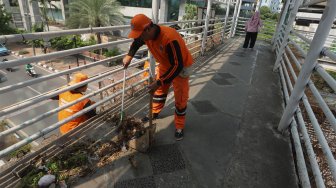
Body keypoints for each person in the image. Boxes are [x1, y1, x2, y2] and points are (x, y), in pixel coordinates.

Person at [123, 14, 193, 141]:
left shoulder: (169, 38)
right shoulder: (146, 35)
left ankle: (179, 126)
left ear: (148, 29)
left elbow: (177, 65)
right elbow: (137, 42)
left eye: (140, 33)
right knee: (159, 92)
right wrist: (129, 56)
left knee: (180, 98)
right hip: (166, 64)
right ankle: (154, 112)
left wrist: (160, 81)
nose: (139, 37)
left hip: (181, 67)